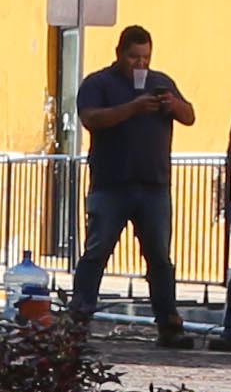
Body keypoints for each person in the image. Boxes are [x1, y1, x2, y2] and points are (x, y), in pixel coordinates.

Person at [64, 24, 193, 345]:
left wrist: (172, 105)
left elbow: (190, 116)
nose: (140, 64)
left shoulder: (162, 82)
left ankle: (168, 322)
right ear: (119, 54)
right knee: (97, 252)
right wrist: (132, 108)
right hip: (111, 184)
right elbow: (91, 119)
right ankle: (79, 318)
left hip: (154, 185)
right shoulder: (99, 83)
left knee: (160, 258)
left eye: (146, 57)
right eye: (134, 57)